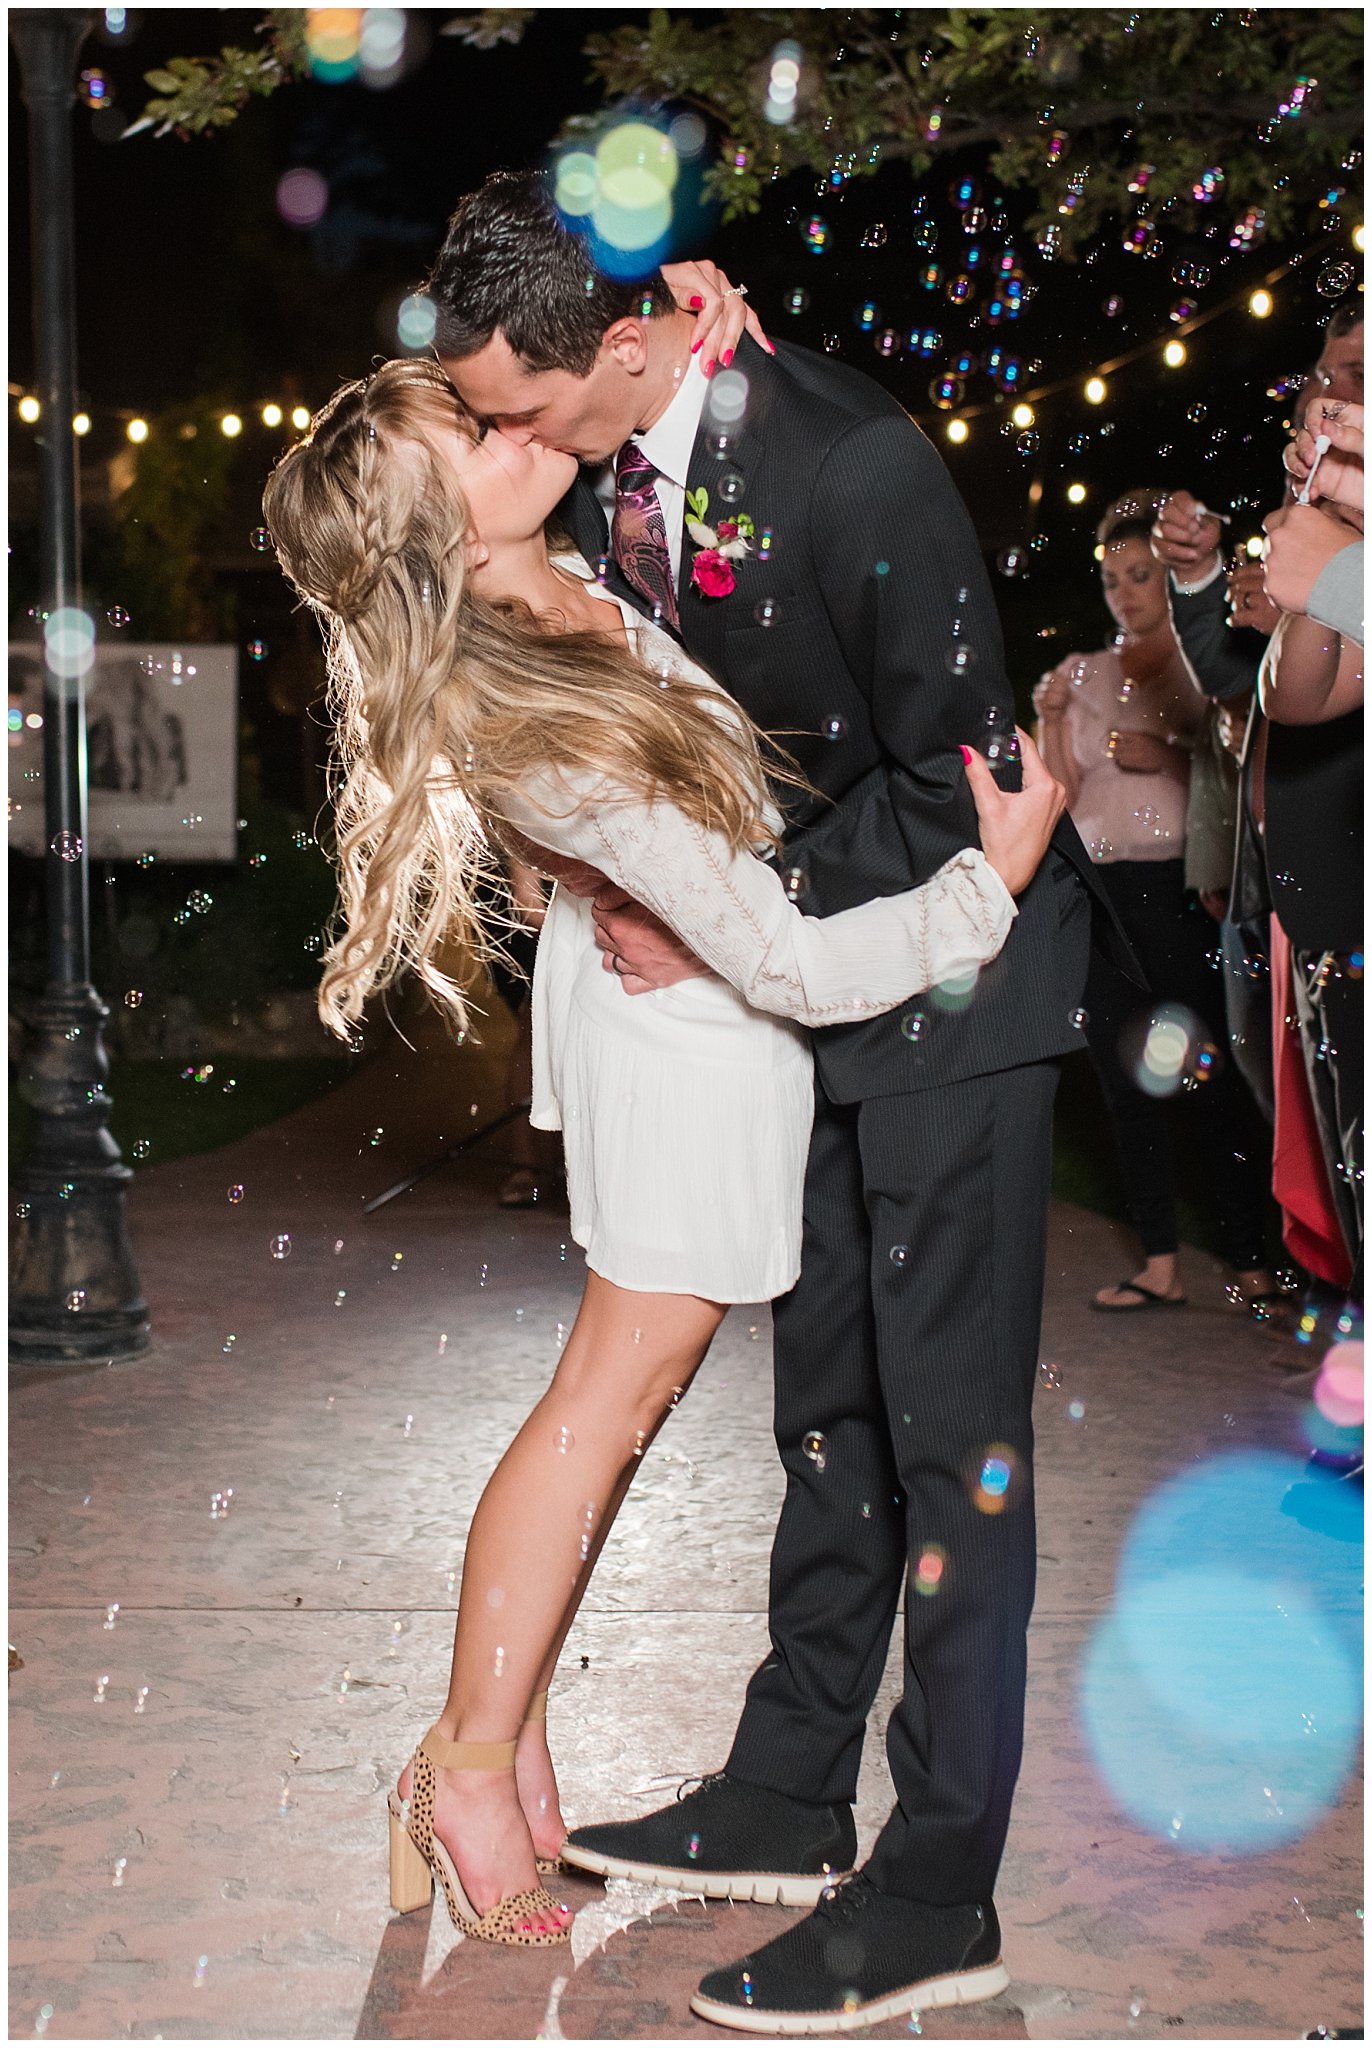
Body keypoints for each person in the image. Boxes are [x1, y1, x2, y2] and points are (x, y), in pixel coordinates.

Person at [424, 168, 1121, 2033]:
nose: (497, 437)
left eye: (519, 412)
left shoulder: (855, 467)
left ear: (633, 346)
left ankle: (937, 1882)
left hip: (956, 999)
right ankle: (790, 1786)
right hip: (809, 1004)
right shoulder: (620, 442)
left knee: (953, 1442)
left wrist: (724, 910)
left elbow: (966, 772)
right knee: (828, 1411)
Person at [262, 356, 1066, 1967]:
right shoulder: (519, 696)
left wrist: (728, 356)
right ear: (434, 527)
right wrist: (995, 883)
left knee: (614, 1414)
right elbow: (784, 961)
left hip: (701, 1012)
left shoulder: (564, 576)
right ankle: (466, 1770)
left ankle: (502, 1743)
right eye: (476, 440)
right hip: (688, 1045)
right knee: (604, 1405)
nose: (518, 435)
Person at [1034, 490, 1280, 1315]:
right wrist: (1053, 724)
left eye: (1139, 575)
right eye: (1111, 580)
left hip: (1179, 889)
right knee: (1121, 1082)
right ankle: (1160, 1262)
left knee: (1208, 1076)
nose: (1124, 593)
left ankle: (1252, 1257)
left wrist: (1169, 746)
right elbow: (1058, 797)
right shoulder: (1077, 674)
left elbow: (1235, 772)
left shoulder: (1203, 661)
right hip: (1101, 892)